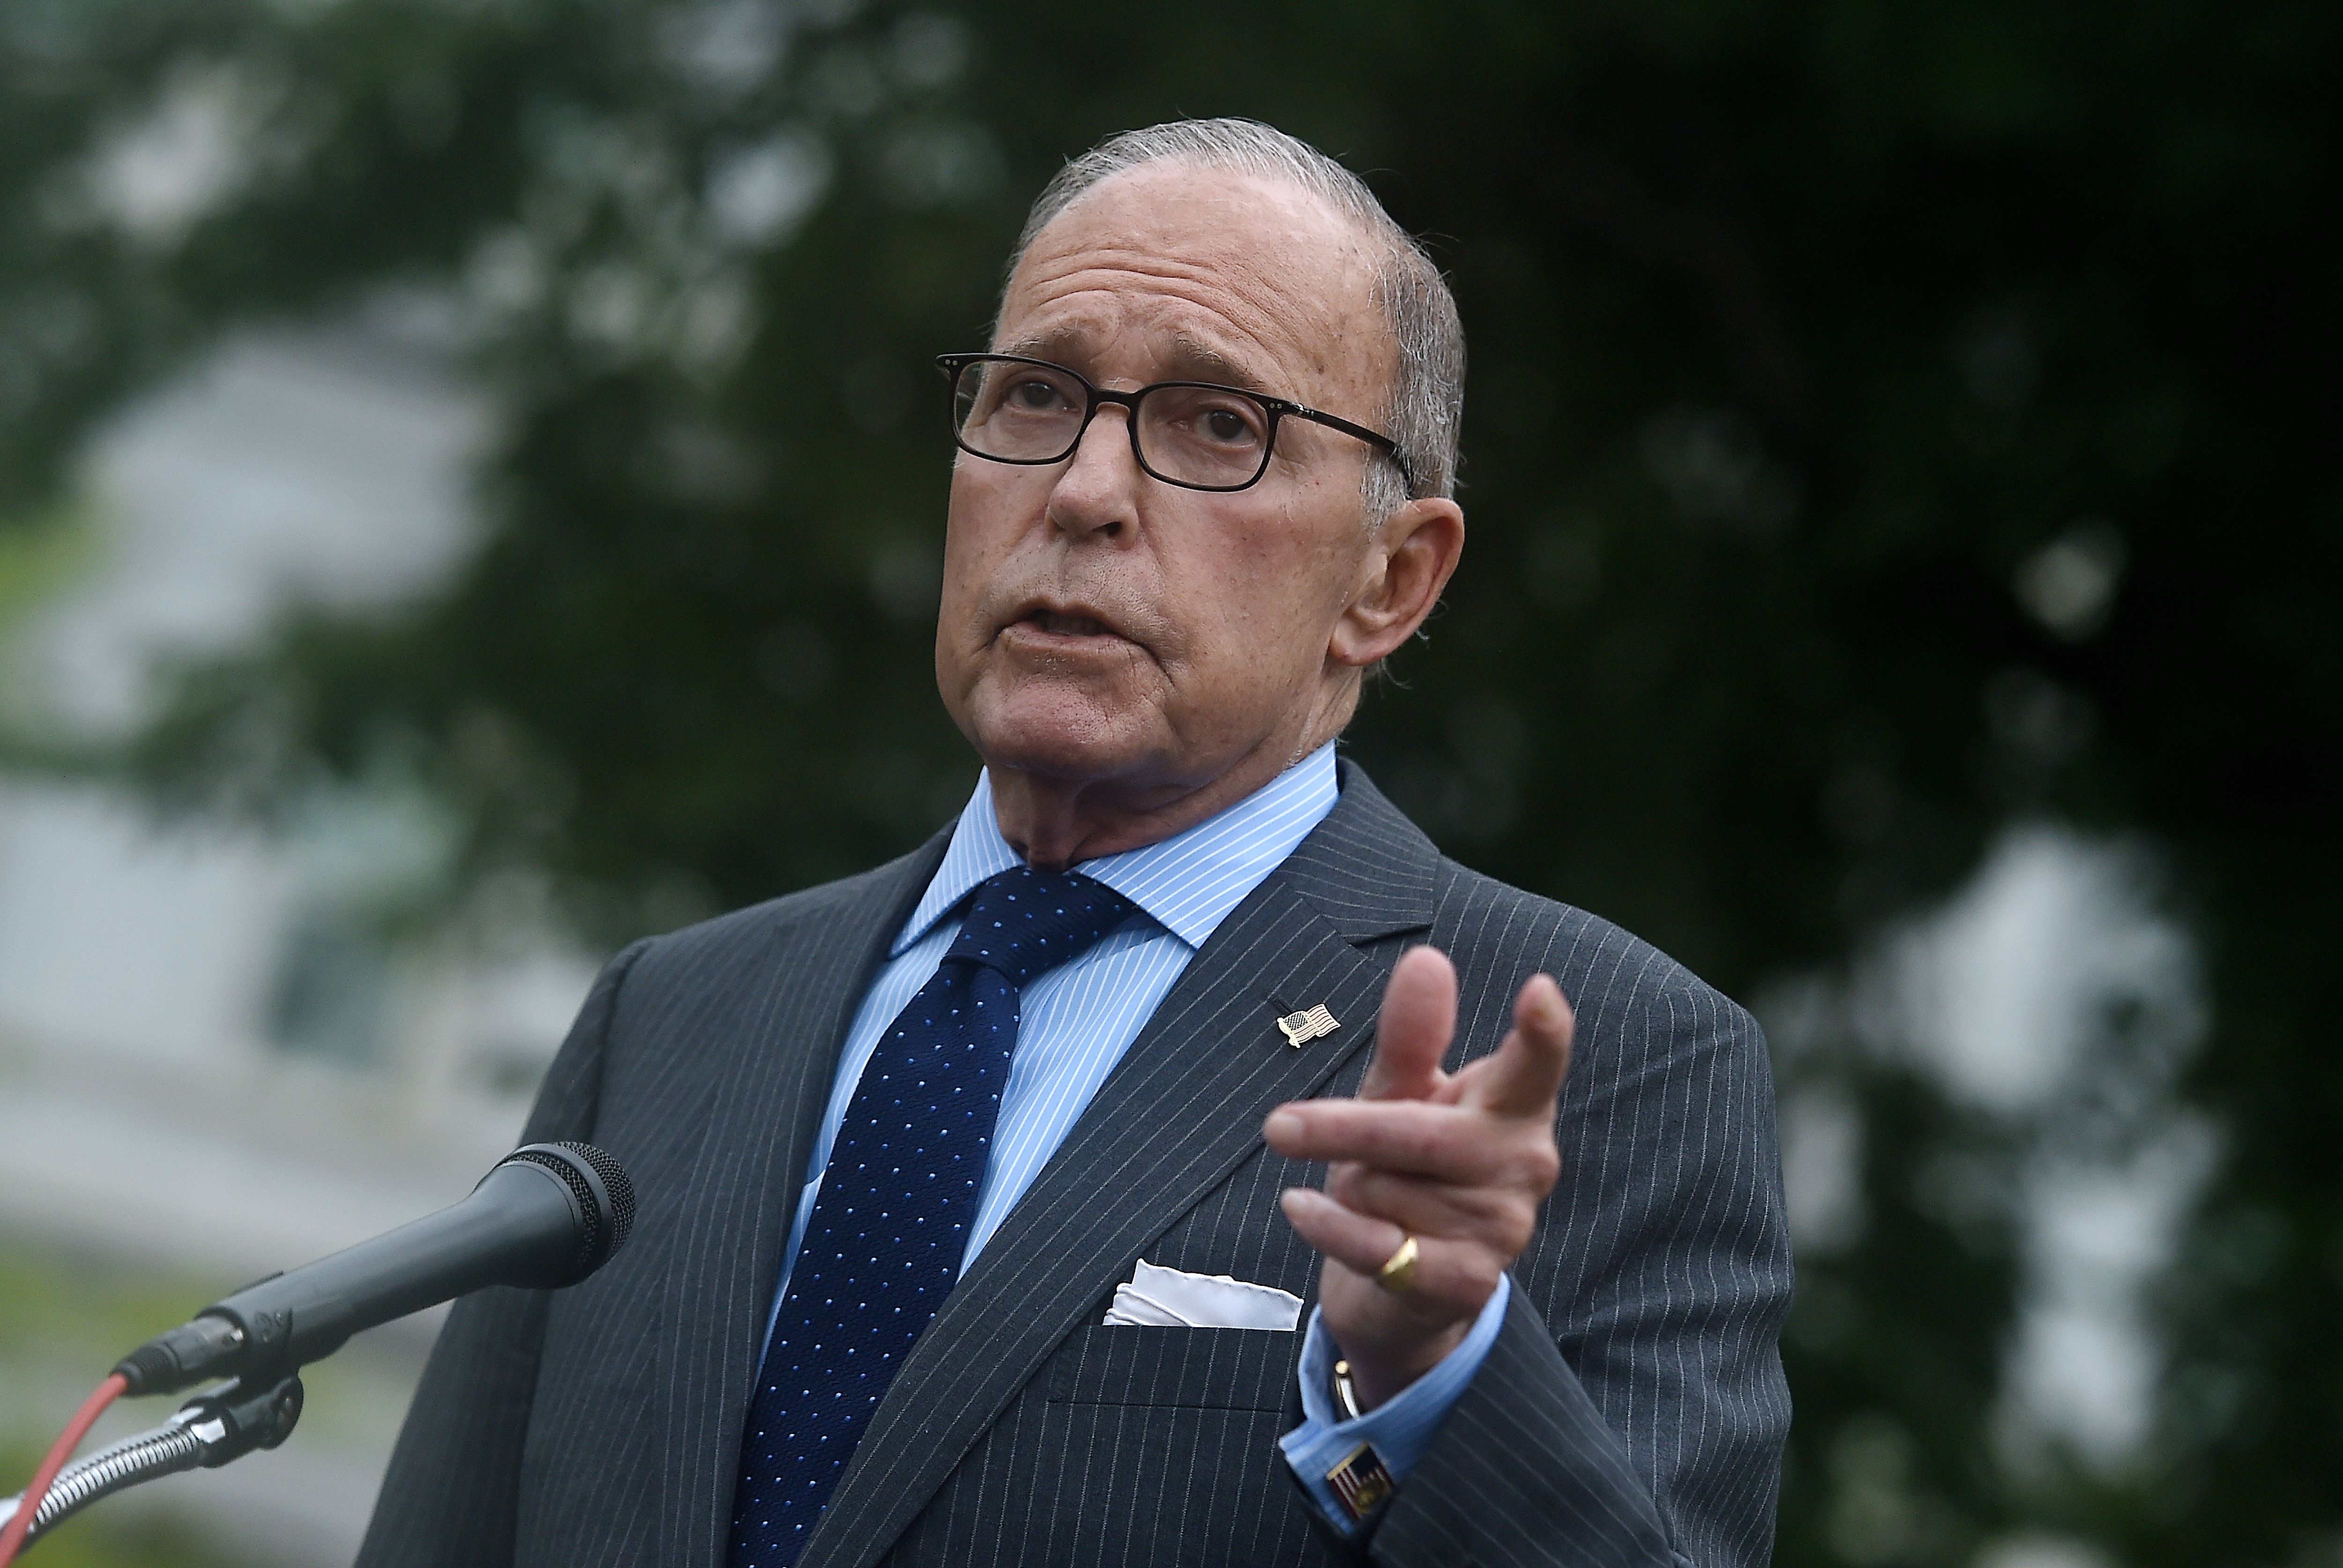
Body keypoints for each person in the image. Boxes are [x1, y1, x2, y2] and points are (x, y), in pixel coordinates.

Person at [356, 118, 1791, 1568]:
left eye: (1218, 425)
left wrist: (1431, 1374)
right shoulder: (673, 1014)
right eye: (1038, 396)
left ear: (1392, 577)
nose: (1086, 490)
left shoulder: (1605, 1068)